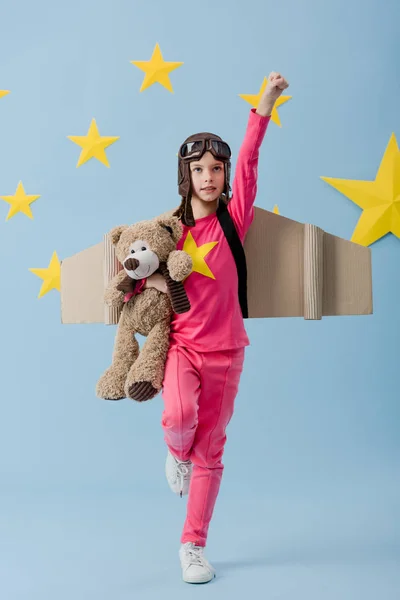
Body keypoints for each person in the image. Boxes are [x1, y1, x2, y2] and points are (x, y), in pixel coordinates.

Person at [144, 71, 289, 584]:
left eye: (217, 168)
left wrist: (264, 104)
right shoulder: (170, 230)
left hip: (229, 351)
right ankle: (174, 452)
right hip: (183, 348)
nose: (210, 176)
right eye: (200, 168)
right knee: (181, 416)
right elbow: (137, 267)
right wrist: (153, 285)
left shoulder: (235, 219)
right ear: (186, 175)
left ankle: (193, 545)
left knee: (212, 449)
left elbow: (250, 162)